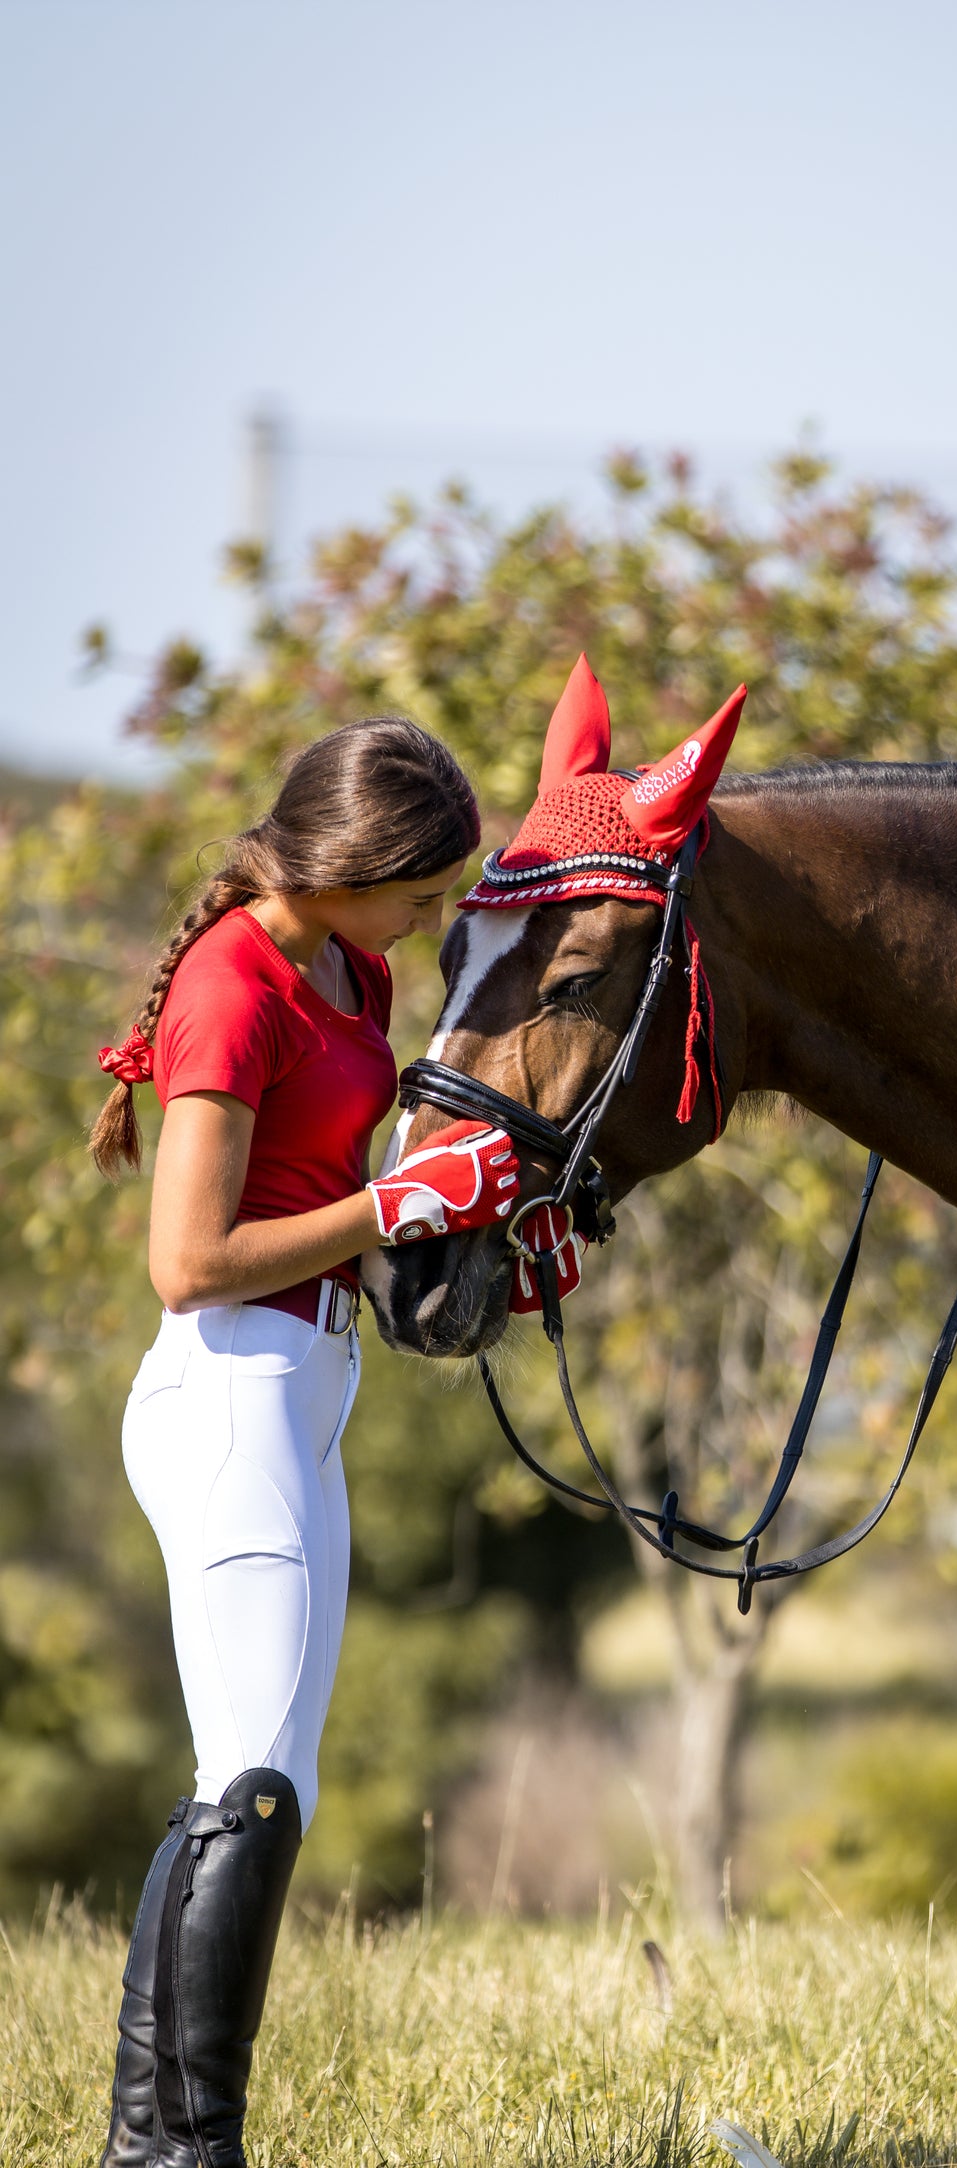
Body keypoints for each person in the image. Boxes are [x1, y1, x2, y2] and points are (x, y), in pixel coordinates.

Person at [89, 717, 519, 2168]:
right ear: (352, 863)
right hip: (228, 1387)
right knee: (253, 1787)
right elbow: (189, 1259)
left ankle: (151, 2147)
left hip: (307, 1388)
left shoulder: (355, 966)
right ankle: (181, 2153)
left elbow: (350, 1160)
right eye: (421, 887)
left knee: (260, 1784)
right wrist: (398, 1204)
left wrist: (463, 1203)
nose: (430, 917)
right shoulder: (231, 989)